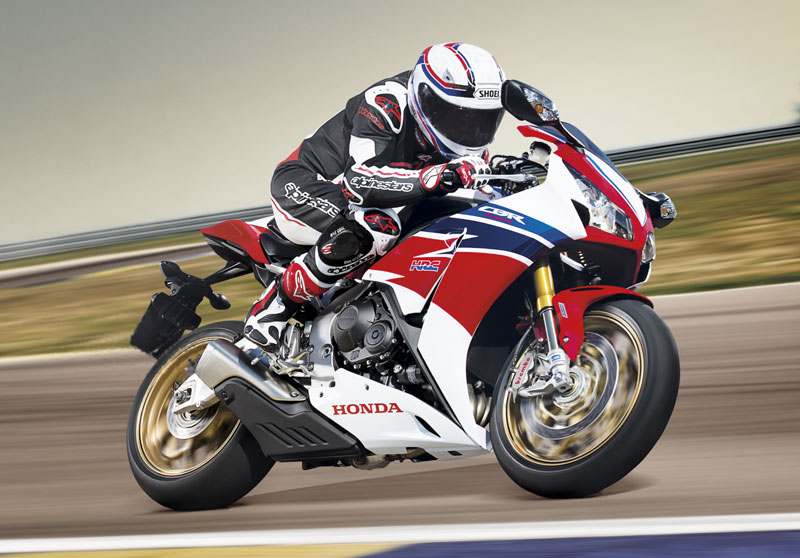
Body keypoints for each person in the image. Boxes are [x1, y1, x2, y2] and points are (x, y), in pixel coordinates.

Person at [243, 43, 506, 350]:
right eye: (457, 116)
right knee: (377, 225)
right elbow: (358, 181)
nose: (469, 129)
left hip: (378, 199)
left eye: (481, 120)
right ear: (426, 97)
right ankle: (275, 305)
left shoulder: (468, 146)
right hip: (306, 185)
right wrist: (432, 177)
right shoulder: (385, 102)